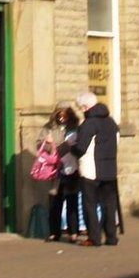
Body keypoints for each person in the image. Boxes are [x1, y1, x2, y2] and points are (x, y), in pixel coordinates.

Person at [72, 91, 120, 247]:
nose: (81, 111)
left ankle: (94, 237)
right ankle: (112, 237)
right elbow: (117, 143)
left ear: (85, 107)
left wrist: (70, 147)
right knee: (109, 205)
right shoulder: (111, 122)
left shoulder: (89, 124)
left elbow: (81, 149)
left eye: (81, 108)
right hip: (110, 169)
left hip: (90, 170)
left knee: (90, 205)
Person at [43, 103, 81, 242]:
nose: (61, 118)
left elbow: (79, 145)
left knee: (72, 201)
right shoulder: (49, 128)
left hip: (71, 168)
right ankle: (54, 232)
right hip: (55, 169)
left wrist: (62, 148)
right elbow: (39, 144)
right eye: (59, 115)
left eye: (64, 115)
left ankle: (73, 232)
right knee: (54, 201)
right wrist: (48, 144)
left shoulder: (75, 127)